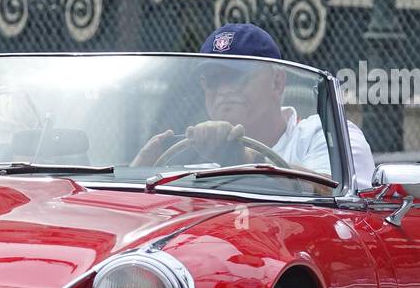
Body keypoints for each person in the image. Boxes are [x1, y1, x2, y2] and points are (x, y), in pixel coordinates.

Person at [133, 23, 375, 189]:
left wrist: (242, 160)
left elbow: (334, 202)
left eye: (238, 76)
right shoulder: (191, 154)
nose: (224, 89)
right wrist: (137, 174)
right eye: (214, 79)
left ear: (277, 82)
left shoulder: (324, 135)